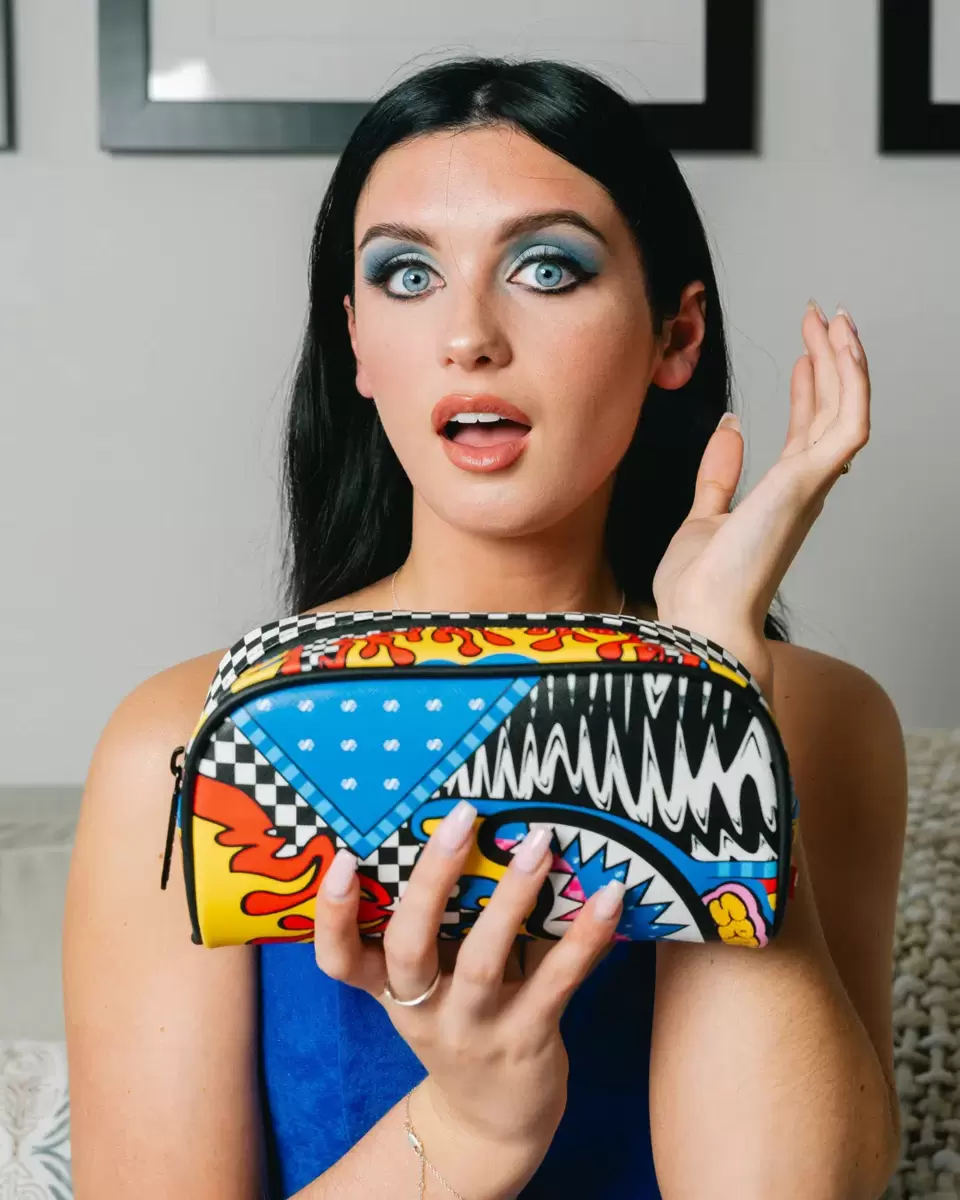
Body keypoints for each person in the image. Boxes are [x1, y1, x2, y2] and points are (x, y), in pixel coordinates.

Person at [63, 57, 907, 1199]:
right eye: (408, 274)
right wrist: (468, 1127)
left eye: (546, 268)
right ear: (357, 343)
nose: (468, 336)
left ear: (675, 335)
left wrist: (708, 685)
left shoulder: (816, 717)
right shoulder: (191, 739)